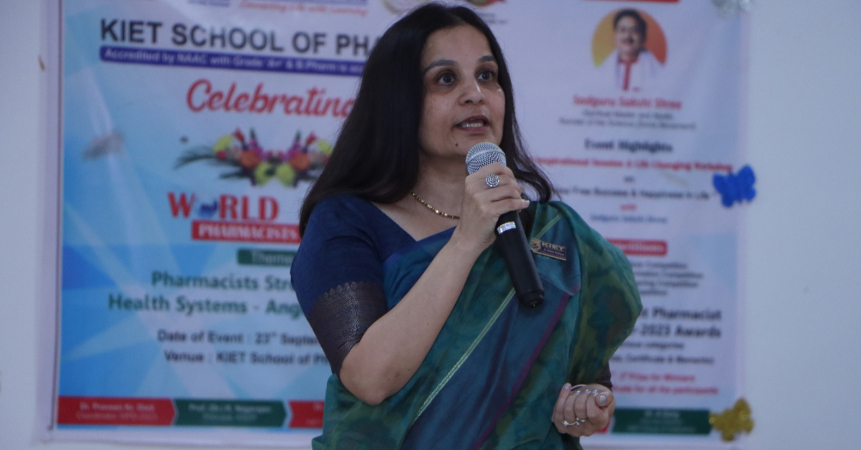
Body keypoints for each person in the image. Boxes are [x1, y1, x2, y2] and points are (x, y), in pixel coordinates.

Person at [290, 3, 641, 449]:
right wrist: (466, 241)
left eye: (487, 75)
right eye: (445, 79)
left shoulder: (551, 234)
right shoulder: (346, 221)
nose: (475, 93)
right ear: (398, 101)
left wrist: (583, 405)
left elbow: (586, 377)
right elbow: (370, 378)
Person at [598, 9, 662, 92]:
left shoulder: (658, 71)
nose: (627, 36)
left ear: (643, 37)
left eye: (634, 30)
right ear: (615, 36)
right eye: (622, 30)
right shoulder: (601, 72)